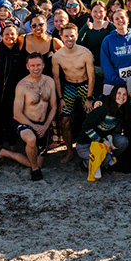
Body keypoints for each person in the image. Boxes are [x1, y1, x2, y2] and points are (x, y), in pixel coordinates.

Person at [0, 53, 58, 181]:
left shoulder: (50, 81)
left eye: (38, 65)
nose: (35, 68)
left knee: (39, 162)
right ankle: (35, 170)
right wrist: (35, 127)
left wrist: (45, 126)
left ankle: (3, 152)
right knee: (31, 139)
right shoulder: (22, 85)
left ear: (43, 65)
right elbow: (17, 114)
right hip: (25, 122)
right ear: (27, 67)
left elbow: (53, 107)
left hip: (43, 124)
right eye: (32, 66)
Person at [51, 23, 96, 163]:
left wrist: (89, 97)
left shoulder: (85, 53)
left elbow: (91, 77)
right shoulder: (57, 56)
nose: (69, 39)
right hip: (69, 87)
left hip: (84, 86)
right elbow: (57, 78)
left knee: (92, 117)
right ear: (61, 37)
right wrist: (60, 98)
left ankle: (93, 148)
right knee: (64, 120)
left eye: (72, 36)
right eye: (66, 36)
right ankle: (69, 152)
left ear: (76, 36)